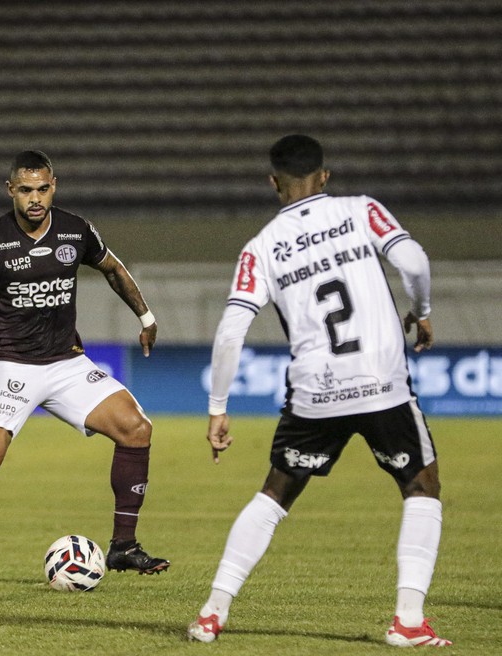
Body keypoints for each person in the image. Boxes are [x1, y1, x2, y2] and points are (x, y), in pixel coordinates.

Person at [186, 135, 450, 647]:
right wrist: (421, 310)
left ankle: (212, 613)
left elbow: (230, 330)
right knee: (422, 488)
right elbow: (413, 260)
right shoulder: (362, 210)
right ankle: (408, 622)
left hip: (315, 391)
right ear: (324, 176)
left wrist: (218, 408)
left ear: (273, 183)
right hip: (382, 385)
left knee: (274, 495)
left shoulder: (261, 247)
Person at [0, 150, 169, 592]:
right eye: (25, 190)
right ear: (11, 189)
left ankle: (123, 546)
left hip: (67, 363)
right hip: (13, 365)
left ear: (54, 186)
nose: (35, 198)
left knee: (136, 428)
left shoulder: (76, 229)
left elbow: (114, 269)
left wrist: (145, 318)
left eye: (42, 189)